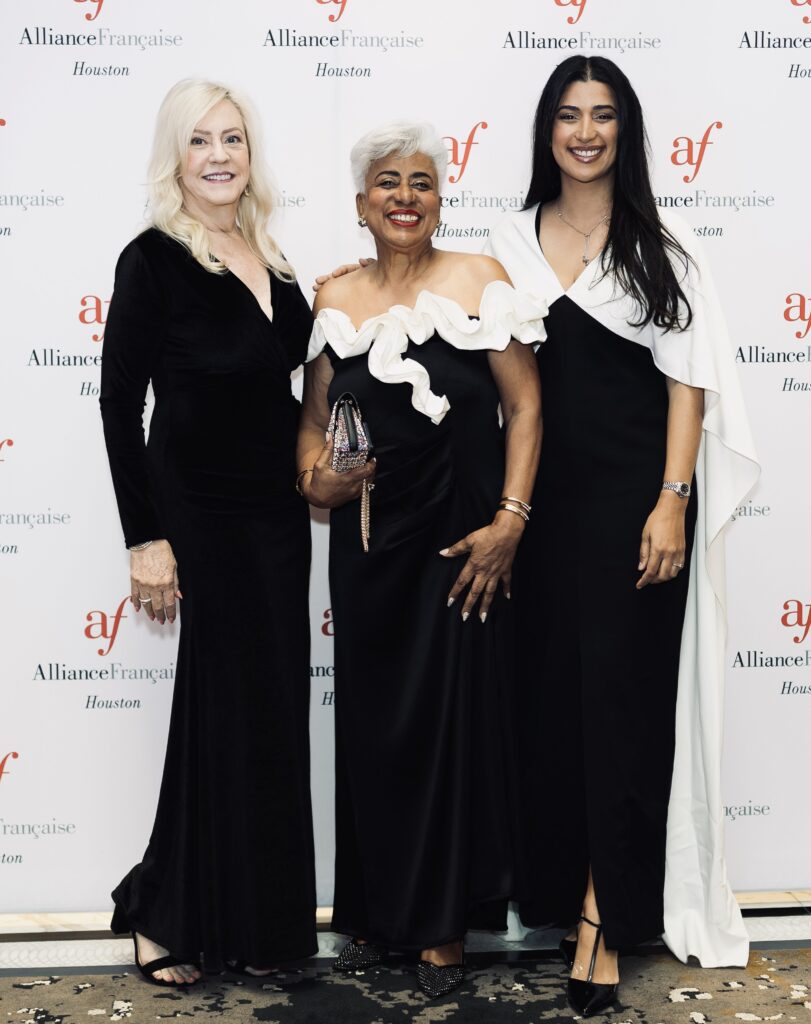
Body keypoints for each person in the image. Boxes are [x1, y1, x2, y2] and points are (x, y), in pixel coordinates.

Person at [485, 56, 759, 1015]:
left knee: (623, 710)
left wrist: (672, 498)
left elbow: (688, 383)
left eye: (602, 116)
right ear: (546, 131)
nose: (585, 132)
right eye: (568, 115)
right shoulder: (507, 242)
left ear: (625, 129)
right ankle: (563, 896)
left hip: (630, 509)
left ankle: (607, 915)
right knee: (550, 707)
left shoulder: (662, 246)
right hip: (534, 510)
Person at [297, 120, 544, 999]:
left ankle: (442, 922)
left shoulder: (480, 281)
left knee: (451, 727)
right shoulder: (332, 300)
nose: (404, 196)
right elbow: (313, 437)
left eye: (421, 183)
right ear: (361, 203)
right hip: (369, 556)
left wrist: (512, 518)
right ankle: (383, 910)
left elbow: (524, 408)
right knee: (379, 728)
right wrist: (321, 482)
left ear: (441, 198)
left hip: (463, 544)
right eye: (386, 184)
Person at [100, 79, 317, 985]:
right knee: (217, 709)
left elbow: (299, 378)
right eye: (200, 141)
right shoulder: (152, 259)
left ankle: (263, 929)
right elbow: (120, 404)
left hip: (276, 513)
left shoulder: (274, 256)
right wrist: (146, 539)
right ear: (175, 157)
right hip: (199, 509)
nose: (220, 155)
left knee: (271, 711)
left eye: (233, 138)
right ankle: (165, 916)